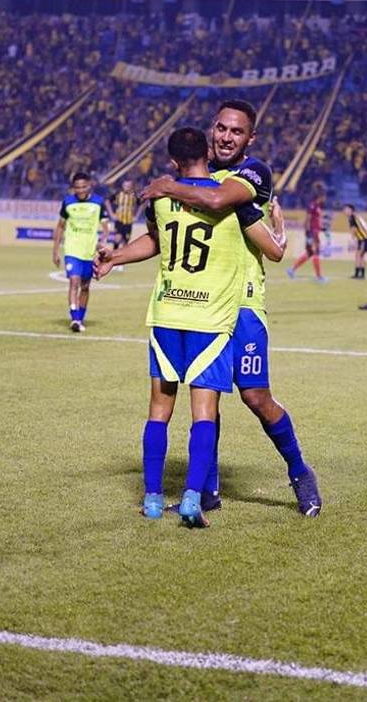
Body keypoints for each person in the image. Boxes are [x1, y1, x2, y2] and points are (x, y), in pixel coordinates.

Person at [138, 100, 322, 518]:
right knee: (206, 399)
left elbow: (221, 200)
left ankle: (299, 471)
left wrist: (168, 186)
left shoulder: (251, 174)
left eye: (236, 132)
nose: (226, 137)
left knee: (256, 396)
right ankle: (206, 489)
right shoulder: (196, 178)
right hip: (201, 306)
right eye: (220, 128)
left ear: (249, 139)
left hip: (243, 305)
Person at [96, 127, 286, 527]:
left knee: (158, 412)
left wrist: (115, 257)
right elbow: (272, 248)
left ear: (172, 162)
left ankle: (151, 499)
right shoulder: (231, 203)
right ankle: (191, 499)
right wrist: (278, 235)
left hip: (166, 317)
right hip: (210, 320)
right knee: (204, 414)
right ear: (209, 152)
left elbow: (155, 242)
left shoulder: (163, 199)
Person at [52, 172, 110, 332]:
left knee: (85, 286)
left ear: (89, 185)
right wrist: (55, 251)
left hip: (89, 252)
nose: (80, 190)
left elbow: (105, 228)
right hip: (72, 249)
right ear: (73, 188)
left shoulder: (98, 203)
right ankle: (75, 318)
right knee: (74, 282)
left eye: (83, 186)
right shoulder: (68, 202)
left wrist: (103, 242)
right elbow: (60, 226)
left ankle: (80, 317)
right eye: (77, 187)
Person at [286, 190, 327, 282]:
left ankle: (292, 270)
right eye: (324, 197)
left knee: (309, 253)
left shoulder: (317, 207)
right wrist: (308, 231)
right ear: (320, 197)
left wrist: (321, 228)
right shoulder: (312, 206)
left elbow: (316, 220)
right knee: (316, 252)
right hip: (312, 232)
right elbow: (308, 219)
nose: (325, 199)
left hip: (315, 231)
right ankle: (319, 276)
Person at [342, 203, 367, 279]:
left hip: (364, 239)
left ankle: (358, 274)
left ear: (350, 210)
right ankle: (360, 274)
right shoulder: (356, 216)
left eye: (346, 209)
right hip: (364, 238)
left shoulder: (352, 217)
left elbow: (354, 229)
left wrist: (353, 239)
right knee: (360, 256)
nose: (344, 211)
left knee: (359, 255)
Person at [111, 178, 138, 250]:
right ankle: (114, 254)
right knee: (117, 239)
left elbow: (142, 203)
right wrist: (111, 214)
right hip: (119, 220)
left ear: (132, 186)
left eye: (128, 186)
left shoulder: (134, 195)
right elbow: (107, 201)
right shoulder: (118, 194)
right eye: (125, 186)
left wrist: (137, 215)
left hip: (129, 221)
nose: (126, 187)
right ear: (122, 186)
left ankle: (123, 258)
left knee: (125, 242)